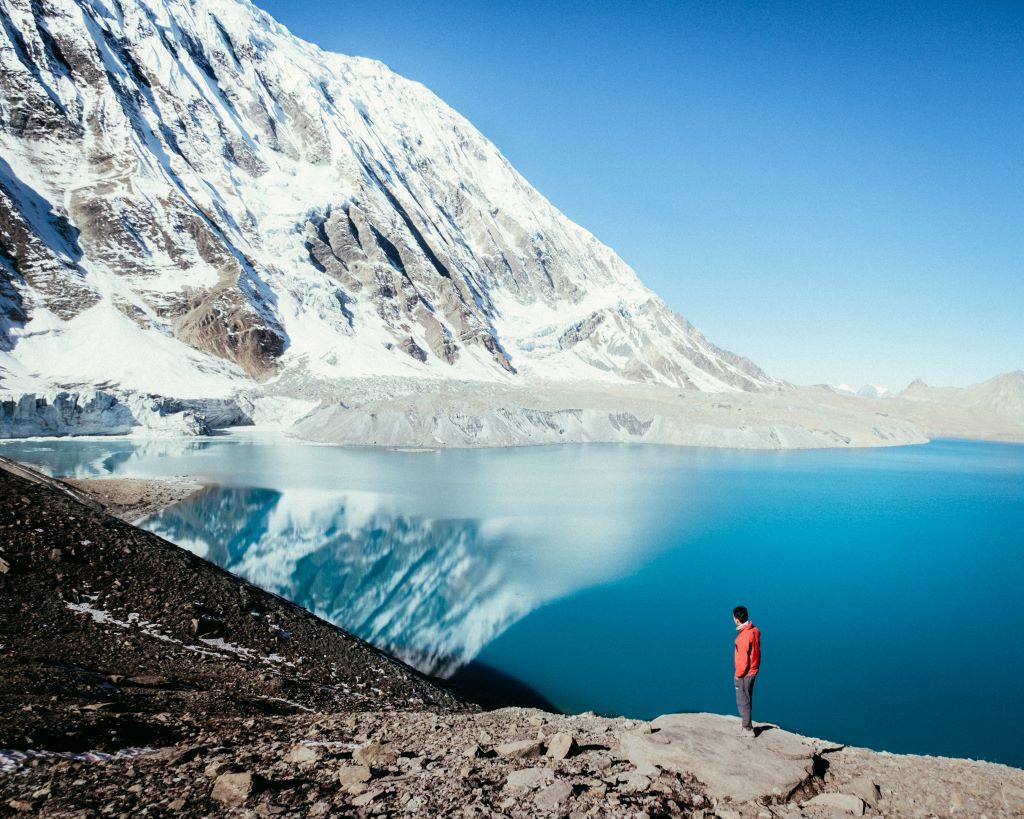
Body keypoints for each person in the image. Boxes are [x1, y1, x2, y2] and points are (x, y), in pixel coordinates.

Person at [733, 605, 761, 738]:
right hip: (754, 669)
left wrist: (738, 675)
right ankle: (747, 723)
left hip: (745, 673)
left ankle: (747, 729)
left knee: (742, 700)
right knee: (748, 698)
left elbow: (743, 661)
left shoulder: (743, 637)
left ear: (737, 619)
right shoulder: (754, 630)